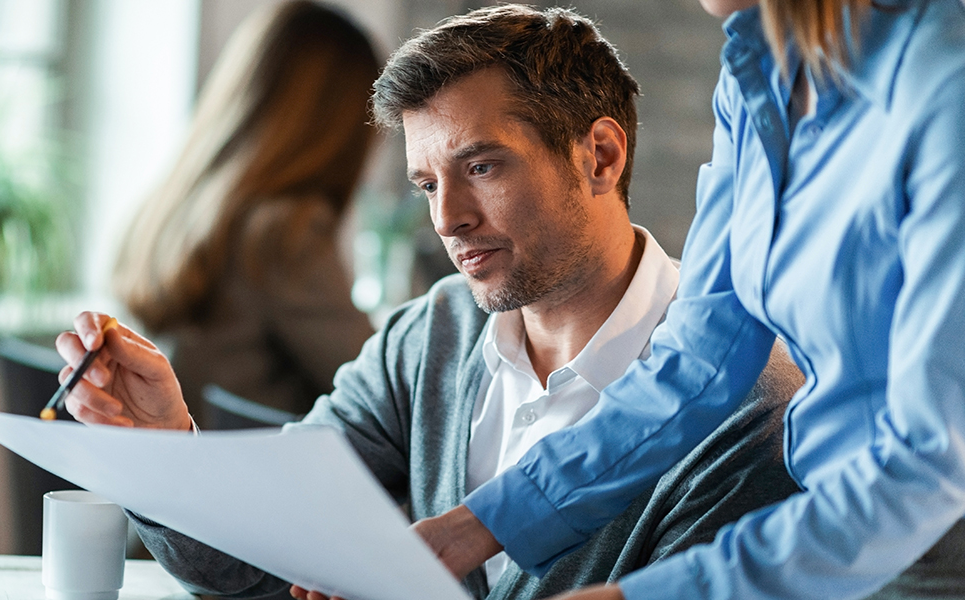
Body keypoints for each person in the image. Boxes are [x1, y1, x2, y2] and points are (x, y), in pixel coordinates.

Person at [58, 6, 806, 599]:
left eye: (480, 166)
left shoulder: (749, 414)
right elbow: (255, 565)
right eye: (426, 184)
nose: (446, 217)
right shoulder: (430, 336)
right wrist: (165, 450)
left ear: (600, 156)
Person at [405, 1, 965, 599]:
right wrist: (479, 524)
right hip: (836, 548)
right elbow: (701, 358)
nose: (446, 220)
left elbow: (933, 464)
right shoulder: (759, 74)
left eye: (483, 166)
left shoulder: (945, 77)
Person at [111, 0, 376, 425]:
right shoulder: (285, 230)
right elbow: (383, 387)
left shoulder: (177, 205)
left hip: (177, 464)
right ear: (338, 127)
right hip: (247, 478)